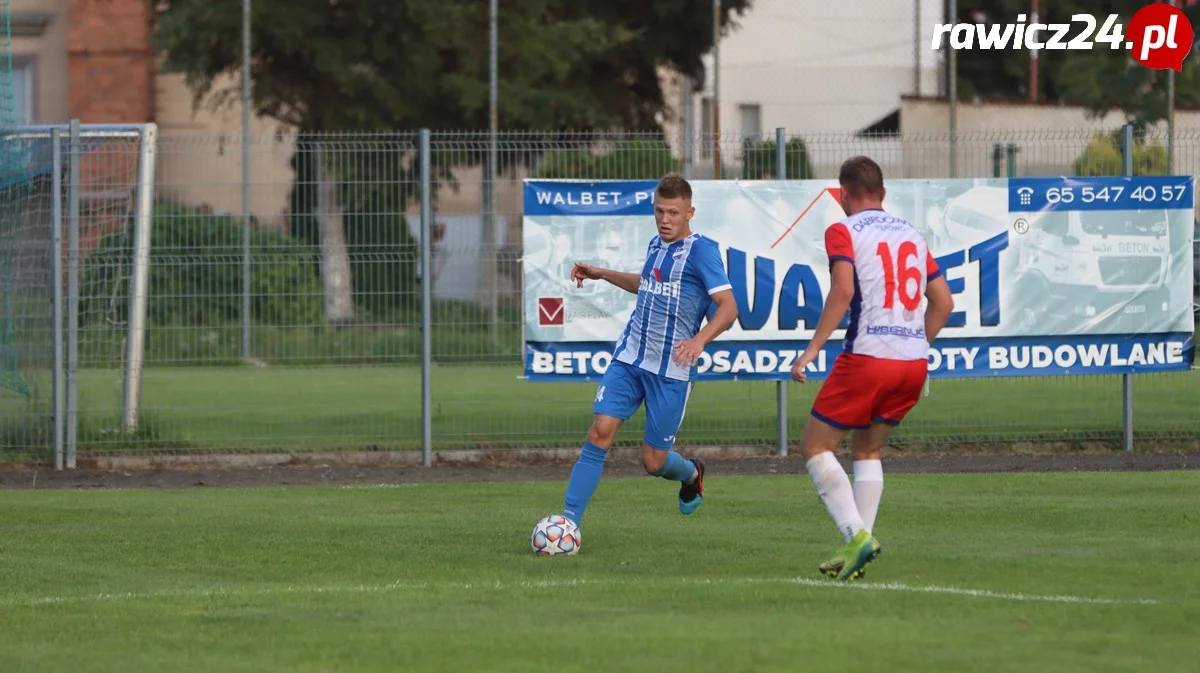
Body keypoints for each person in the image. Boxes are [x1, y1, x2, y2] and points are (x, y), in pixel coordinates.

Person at [790, 156, 955, 581]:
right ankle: (856, 549)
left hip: (867, 359)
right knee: (866, 449)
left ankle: (856, 535)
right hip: (913, 364)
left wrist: (811, 350)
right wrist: (915, 345)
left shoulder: (842, 230)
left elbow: (843, 292)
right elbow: (944, 303)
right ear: (883, 193)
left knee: (814, 447)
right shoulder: (913, 234)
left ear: (843, 194)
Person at [561, 173, 739, 532]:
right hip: (630, 358)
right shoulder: (656, 246)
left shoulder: (702, 250)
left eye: (673, 213)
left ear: (690, 212)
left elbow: (729, 307)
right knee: (599, 431)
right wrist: (601, 273)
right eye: (659, 211)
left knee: (654, 462)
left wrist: (699, 340)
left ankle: (691, 473)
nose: (664, 220)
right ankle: (568, 523)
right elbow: (645, 285)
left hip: (671, 369)